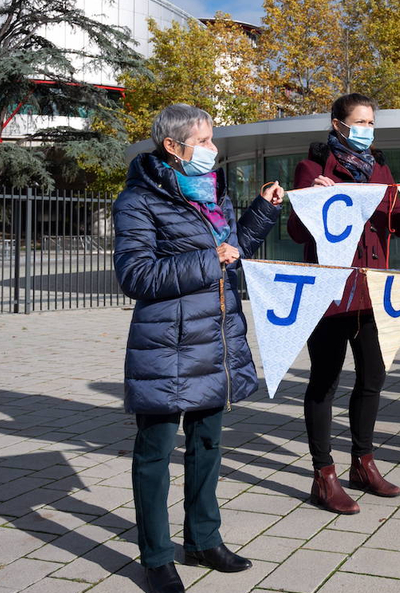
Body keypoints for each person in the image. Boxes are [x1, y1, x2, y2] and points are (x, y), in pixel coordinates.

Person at [113, 103, 284, 593]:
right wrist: (209, 258)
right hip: (167, 345)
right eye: (204, 141)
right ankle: (156, 557)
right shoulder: (138, 200)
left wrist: (262, 213)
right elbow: (135, 275)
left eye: (212, 140)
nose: (213, 149)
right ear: (173, 146)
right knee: (156, 451)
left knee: (208, 444)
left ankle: (204, 540)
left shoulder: (213, 193)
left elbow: (230, 252)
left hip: (216, 340)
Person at [286, 93, 400, 515]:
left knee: (373, 376)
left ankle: (364, 462)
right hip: (330, 293)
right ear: (338, 124)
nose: (367, 129)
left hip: (371, 289)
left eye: (372, 122)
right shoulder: (311, 168)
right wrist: (315, 200)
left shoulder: (379, 169)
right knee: (324, 381)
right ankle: (323, 474)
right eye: (359, 121)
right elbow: (298, 234)